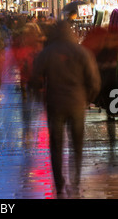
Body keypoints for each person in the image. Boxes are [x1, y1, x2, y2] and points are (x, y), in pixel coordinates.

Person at [32, 20, 101, 197]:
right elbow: (94, 82)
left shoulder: (47, 53)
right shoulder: (82, 53)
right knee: (76, 144)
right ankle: (75, 181)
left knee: (56, 145)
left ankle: (59, 184)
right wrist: (87, 99)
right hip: (77, 104)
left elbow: (34, 78)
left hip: (55, 104)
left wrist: (40, 97)